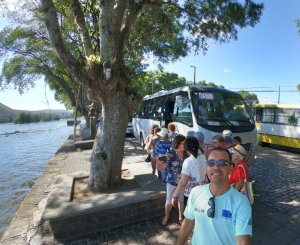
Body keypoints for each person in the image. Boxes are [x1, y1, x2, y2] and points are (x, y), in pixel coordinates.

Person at [176, 147, 252, 245]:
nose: (216, 167)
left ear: (231, 168)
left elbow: (243, 241)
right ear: (207, 167)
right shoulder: (195, 192)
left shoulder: (241, 202)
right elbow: (188, 223)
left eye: (223, 163)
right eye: (211, 163)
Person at [156, 134, 189, 225]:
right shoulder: (171, 153)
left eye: (185, 143)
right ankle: (166, 215)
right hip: (171, 182)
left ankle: (180, 216)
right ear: (177, 143)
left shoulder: (187, 154)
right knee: (169, 201)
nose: (185, 145)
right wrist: (159, 163)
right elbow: (162, 166)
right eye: (183, 143)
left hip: (182, 182)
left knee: (181, 200)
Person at [172, 136, 207, 208]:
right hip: (204, 190)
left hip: (192, 193)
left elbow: (182, 182)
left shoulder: (188, 161)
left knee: (191, 216)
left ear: (186, 148)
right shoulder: (203, 157)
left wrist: (175, 196)